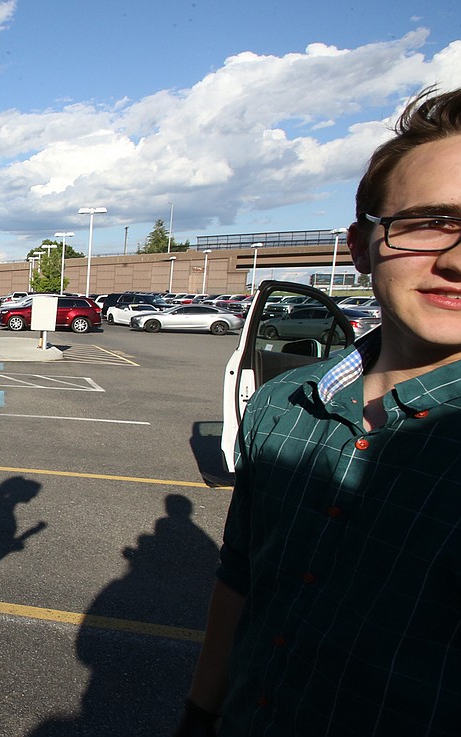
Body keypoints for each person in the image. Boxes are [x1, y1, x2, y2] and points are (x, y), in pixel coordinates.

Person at [177, 86, 461, 736]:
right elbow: (241, 575)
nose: (457, 259)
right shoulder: (282, 404)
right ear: (361, 247)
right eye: (428, 223)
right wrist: (200, 713)